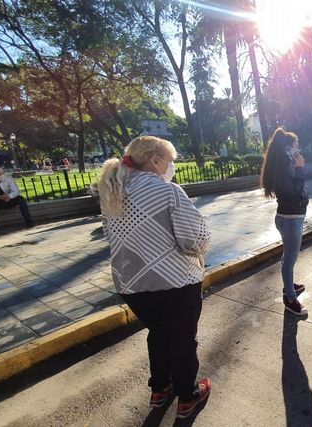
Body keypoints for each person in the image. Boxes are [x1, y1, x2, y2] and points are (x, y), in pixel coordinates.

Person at [97, 136, 212, 420]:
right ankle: (187, 396)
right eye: (170, 161)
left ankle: (159, 389)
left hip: (131, 284)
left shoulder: (114, 189)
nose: (171, 166)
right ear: (155, 160)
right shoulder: (167, 191)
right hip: (174, 283)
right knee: (184, 339)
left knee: (158, 333)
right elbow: (194, 238)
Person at [260, 127, 309, 316]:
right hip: (289, 220)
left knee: (289, 257)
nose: (299, 149)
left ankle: (288, 285)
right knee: (290, 259)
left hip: (291, 218)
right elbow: (293, 192)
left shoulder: (285, 166)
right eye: (296, 146)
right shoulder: (283, 169)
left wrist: (296, 169)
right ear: (288, 147)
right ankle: (290, 298)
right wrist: (300, 169)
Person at [0, 165, 34, 234]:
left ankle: (29, 222)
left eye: (2, 173)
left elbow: (16, 190)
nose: (1, 175)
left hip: (9, 199)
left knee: (21, 199)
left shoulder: (7, 178)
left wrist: (9, 196)